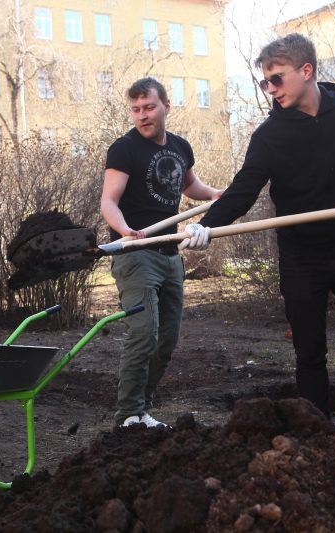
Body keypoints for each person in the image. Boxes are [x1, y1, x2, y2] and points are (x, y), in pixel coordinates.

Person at [180, 33, 335, 417]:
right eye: (264, 82)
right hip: (302, 258)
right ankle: (315, 428)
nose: (270, 89)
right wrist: (207, 226)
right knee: (309, 351)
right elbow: (243, 189)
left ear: (307, 71)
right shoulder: (270, 136)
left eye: (277, 79)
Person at [102, 77, 224, 428]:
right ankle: (128, 414)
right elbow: (109, 200)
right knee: (145, 332)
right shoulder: (124, 149)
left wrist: (215, 193)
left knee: (167, 338)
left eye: (149, 107)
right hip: (136, 252)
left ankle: (143, 409)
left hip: (170, 254)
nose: (142, 116)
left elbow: (189, 185)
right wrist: (124, 231)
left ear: (166, 107)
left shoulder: (181, 147)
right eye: (136, 109)